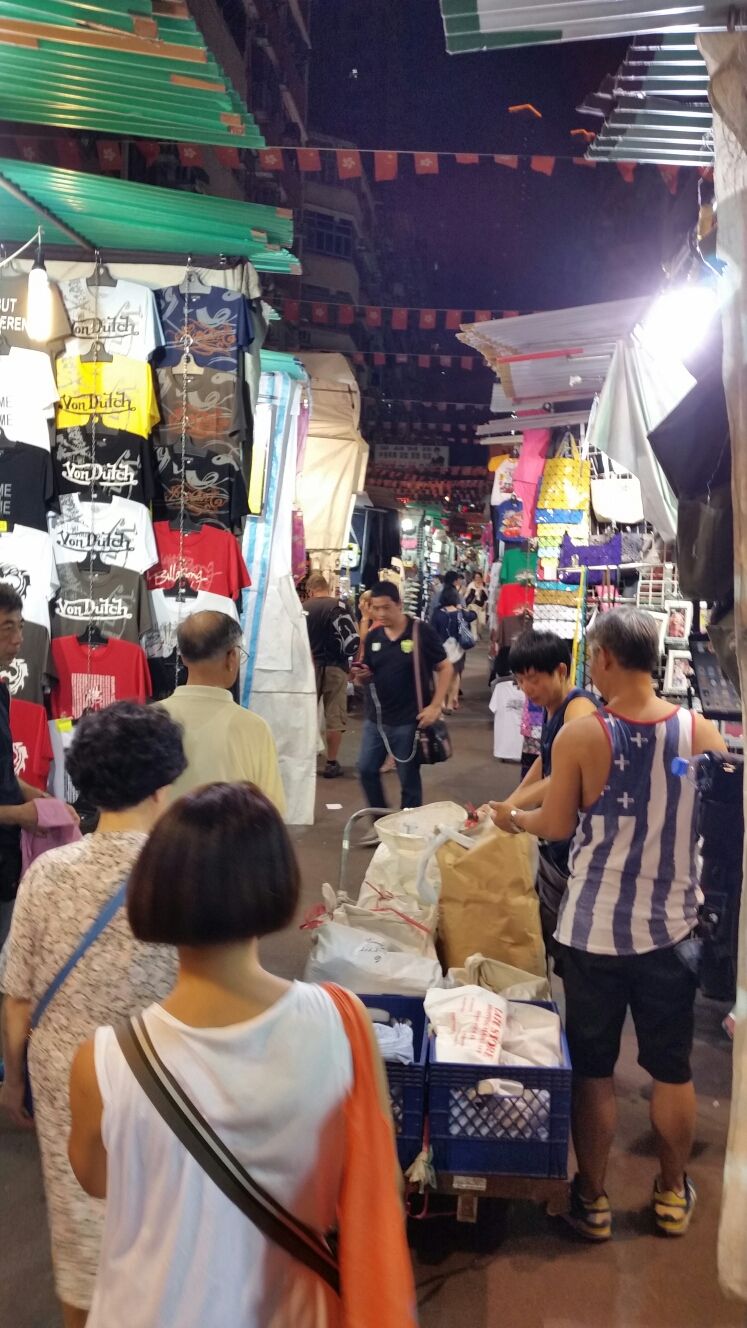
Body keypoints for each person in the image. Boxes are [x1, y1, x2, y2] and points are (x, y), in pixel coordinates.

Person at [68, 782, 415, 1328]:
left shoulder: (105, 1064)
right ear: (274, 882)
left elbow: (98, 1180)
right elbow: (378, 1184)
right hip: (296, 1309)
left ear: (158, 890)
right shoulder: (344, 1024)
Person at [490, 609, 726, 1242]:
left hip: (592, 932)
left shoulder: (583, 737)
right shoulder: (702, 734)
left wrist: (513, 820)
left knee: (594, 1070)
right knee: (671, 1070)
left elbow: (557, 826)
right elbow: (717, 832)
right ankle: (672, 1194)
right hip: (675, 931)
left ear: (605, 659)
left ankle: (591, 1201)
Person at [0, 702, 186, 1328]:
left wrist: (15, 1081)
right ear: (164, 780)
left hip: (65, 1074)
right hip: (162, 1070)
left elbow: (18, 996)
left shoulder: (48, 873)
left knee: (80, 1228)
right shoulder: (181, 871)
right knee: (165, 1218)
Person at [502, 631, 600, 954]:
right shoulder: (552, 705)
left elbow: (564, 775)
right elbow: (546, 759)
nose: (527, 690)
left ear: (560, 670)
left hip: (578, 847)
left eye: (533, 679)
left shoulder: (579, 708)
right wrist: (511, 800)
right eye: (520, 681)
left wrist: (514, 809)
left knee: (570, 946)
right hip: (558, 843)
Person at [0, 584, 78, 948]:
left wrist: (41, 798)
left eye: (19, 626)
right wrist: (25, 814)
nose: (18, 640)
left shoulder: (1, 691)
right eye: (6, 629)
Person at [159, 611, 285, 814]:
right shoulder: (253, 728)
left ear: (182, 657)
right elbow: (272, 809)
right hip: (232, 844)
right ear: (232, 657)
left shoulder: (150, 718)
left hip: (159, 843)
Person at [356, 581, 451, 821]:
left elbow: (445, 667)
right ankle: (380, 822)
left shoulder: (421, 632)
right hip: (376, 719)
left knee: (408, 777)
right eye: (376, 608)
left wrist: (435, 705)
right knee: (366, 768)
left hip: (409, 720)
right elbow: (367, 673)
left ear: (399, 604)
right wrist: (363, 676)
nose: (381, 614)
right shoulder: (375, 635)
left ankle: (409, 827)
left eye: (386, 607)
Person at [304, 572, 360, 780]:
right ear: (327, 587)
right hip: (336, 666)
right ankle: (331, 762)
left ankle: (305, 760)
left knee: (307, 715)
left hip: (310, 668)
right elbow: (354, 639)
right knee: (334, 716)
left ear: (310, 590)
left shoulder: (304, 609)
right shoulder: (341, 606)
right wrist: (353, 666)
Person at [431, 586, 476, 713]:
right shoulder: (460, 612)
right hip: (457, 649)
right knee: (455, 675)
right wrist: (463, 609)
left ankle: (442, 703)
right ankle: (451, 703)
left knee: (440, 675)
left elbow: (432, 629)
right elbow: (473, 616)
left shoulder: (437, 613)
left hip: (441, 649)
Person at [465, 572, 488, 637]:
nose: (477, 579)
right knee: (473, 622)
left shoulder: (483, 585)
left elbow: (486, 597)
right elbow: (466, 595)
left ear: (481, 578)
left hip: (481, 606)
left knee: (481, 622)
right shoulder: (471, 585)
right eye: (476, 577)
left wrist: (485, 605)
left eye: (479, 577)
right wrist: (465, 603)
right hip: (473, 605)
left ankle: (479, 632)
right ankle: (474, 636)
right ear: (474, 578)